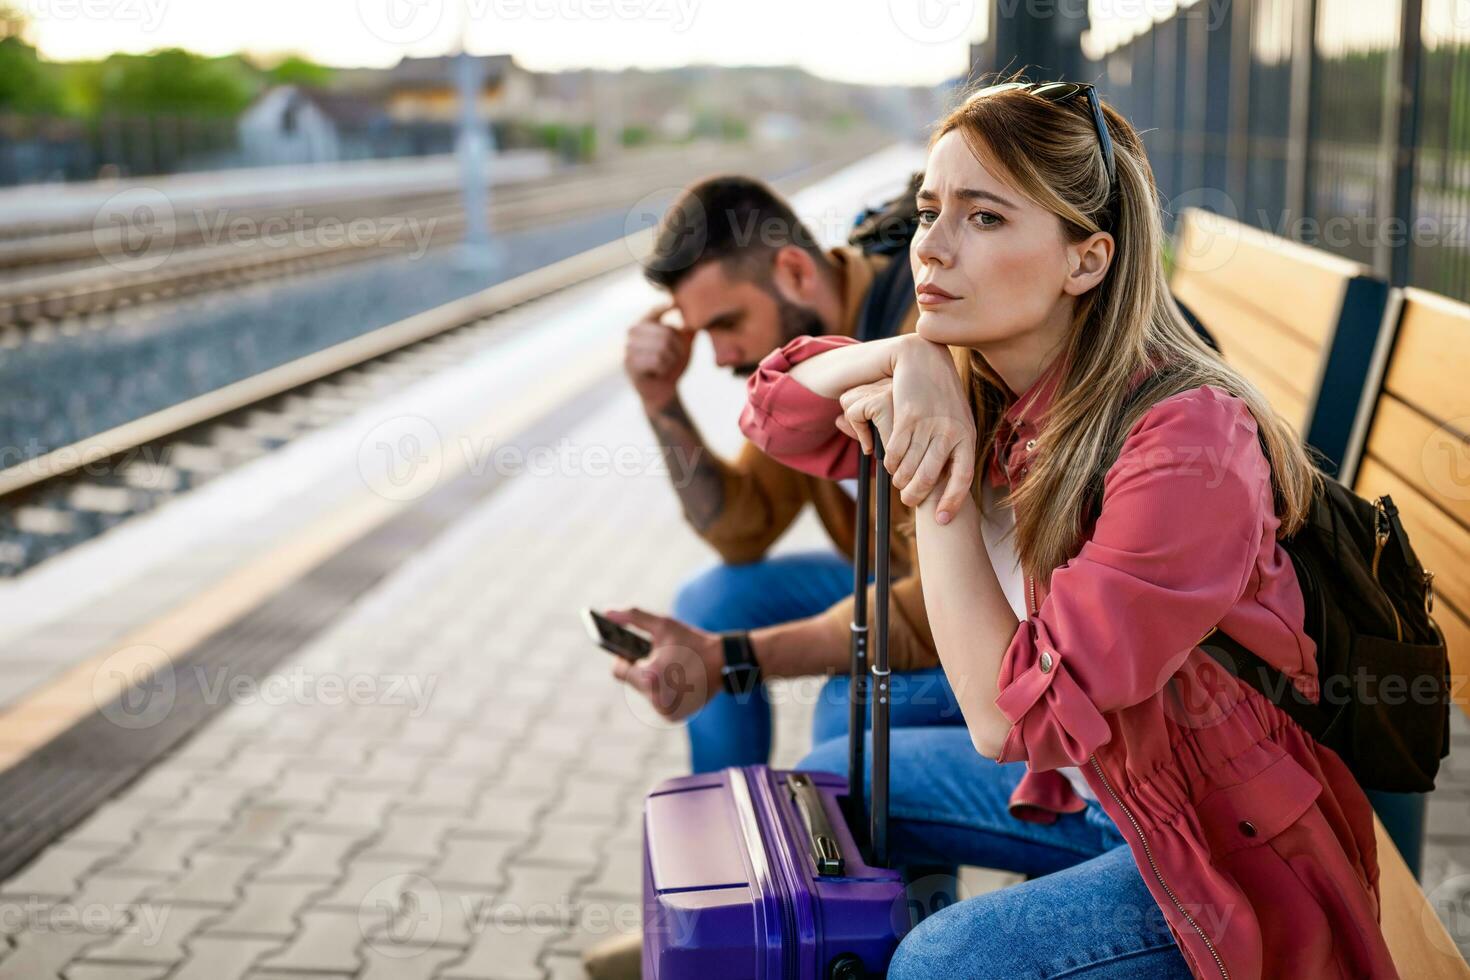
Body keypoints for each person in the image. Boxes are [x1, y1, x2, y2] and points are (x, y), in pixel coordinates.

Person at [621, 78, 1398, 978]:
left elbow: (1002, 720)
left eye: (984, 219)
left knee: (940, 961)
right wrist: (906, 355)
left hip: (1221, 845)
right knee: (837, 780)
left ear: (1086, 259)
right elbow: (775, 413)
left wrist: (927, 468)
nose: (932, 250)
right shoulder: (989, 380)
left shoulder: (1188, 442)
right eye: (928, 211)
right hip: (1106, 782)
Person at [583, 175, 965, 980]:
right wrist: (660, 404)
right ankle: (729, 911)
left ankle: (883, 940)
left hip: (973, 605)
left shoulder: (922, 339)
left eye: (726, 323)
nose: (717, 354)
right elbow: (743, 530)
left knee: (853, 704)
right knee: (710, 600)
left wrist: (736, 657)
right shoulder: (805, 363)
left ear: (794, 274)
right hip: (885, 575)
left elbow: (944, 600)